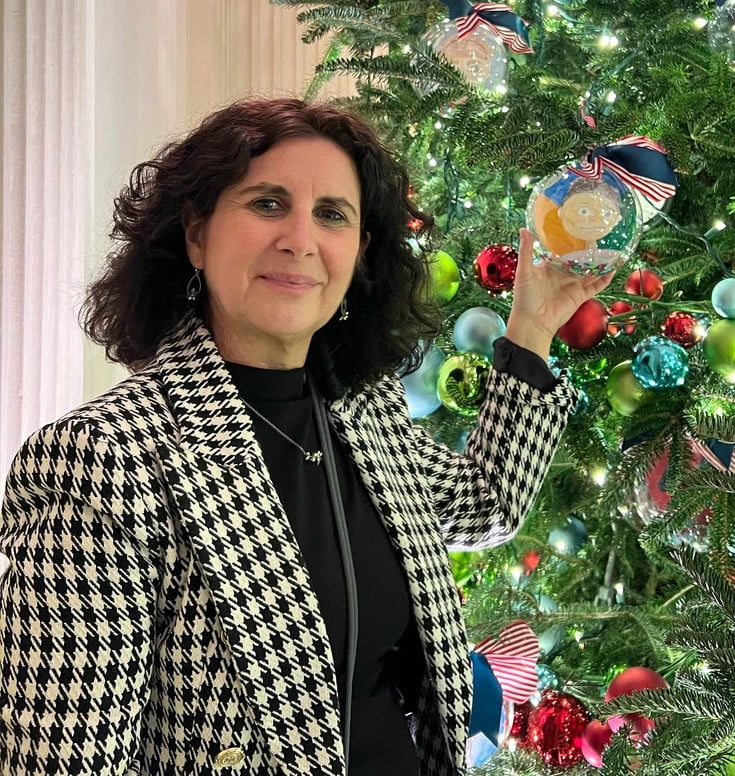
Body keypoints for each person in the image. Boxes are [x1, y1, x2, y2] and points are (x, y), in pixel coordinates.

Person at [0, 97, 613, 776]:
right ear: (196, 234)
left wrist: (532, 327)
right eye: (268, 203)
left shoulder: (363, 411)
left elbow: (483, 502)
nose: (300, 239)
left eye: (332, 214)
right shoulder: (104, 460)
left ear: (359, 253)